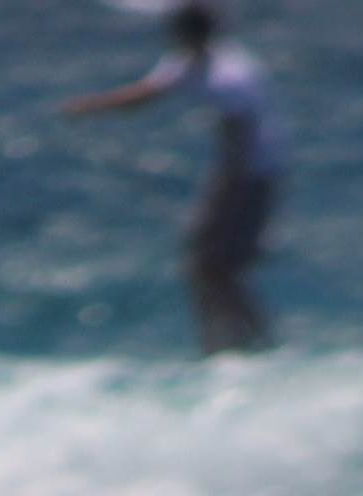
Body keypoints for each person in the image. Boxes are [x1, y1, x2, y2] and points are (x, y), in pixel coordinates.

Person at [62, 2, 284, 354]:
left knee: (214, 266)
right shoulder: (188, 60)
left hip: (251, 175)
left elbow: (239, 136)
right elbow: (148, 93)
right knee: (203, 266)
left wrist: (228, 192)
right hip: (240, 173)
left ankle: (251, 344)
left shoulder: (230, 76)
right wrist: (92, 107)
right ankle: (224, 346)